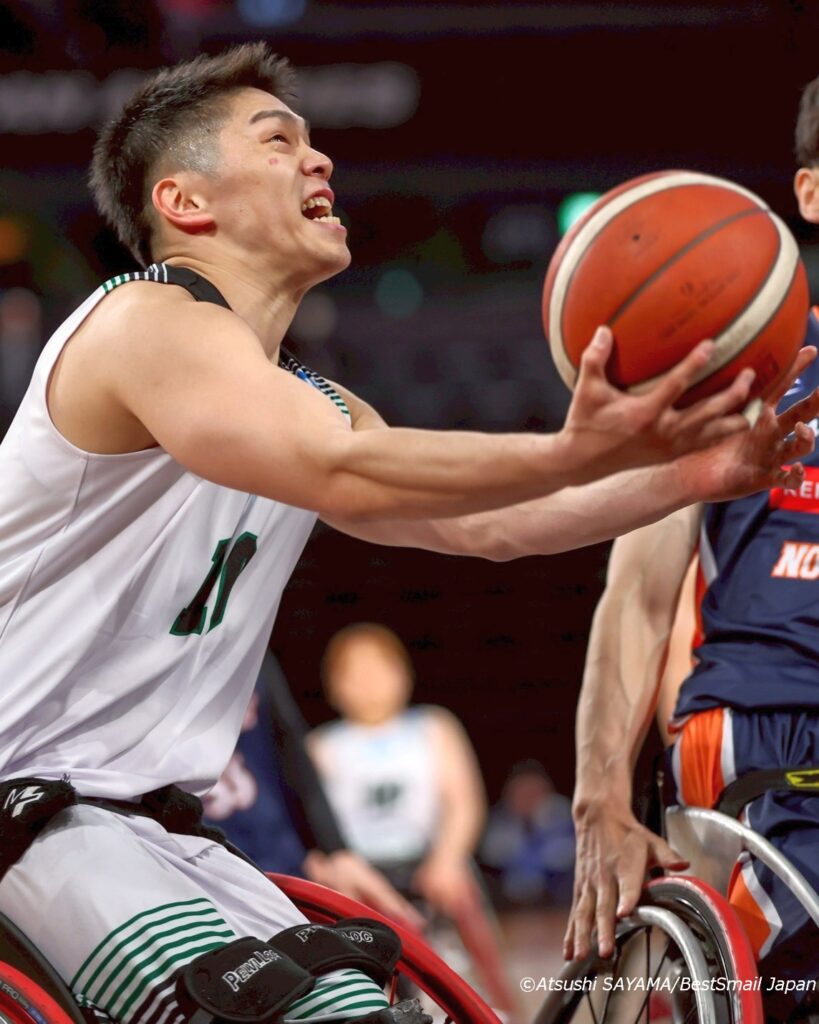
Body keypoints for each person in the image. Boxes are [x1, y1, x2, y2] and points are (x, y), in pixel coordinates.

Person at [0, 41, 815, 1024]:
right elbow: (348, 468)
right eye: (276, 141)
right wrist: (575, 448)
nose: (319, 159)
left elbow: (493, 524)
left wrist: (691, 477)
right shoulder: (145, 322)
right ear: (185, 202)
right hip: (30, 817)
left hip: (155, 835)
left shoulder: (305, 399)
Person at [565, 74, 819, 1019]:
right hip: (769, 728)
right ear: (810, 193)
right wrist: (600, 800)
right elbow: (636, 596)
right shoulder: (740, 373)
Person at [308, 623, 486, 919]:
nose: (368, 682)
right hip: (359, 874)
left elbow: (464, 804)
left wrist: (448, 859)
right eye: (354, 672)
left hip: (428, 867)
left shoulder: (434, 727)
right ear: (333, 686)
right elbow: (307, 822)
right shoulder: (321, 746)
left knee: (463, 890)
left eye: (378, 668)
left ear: (403, 673)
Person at [480, 760, 575, 908]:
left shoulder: (567, 818)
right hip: (509, 904)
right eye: (521, 794)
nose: (528, 800)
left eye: (533, 793)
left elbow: (563, 857)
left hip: (557, 901)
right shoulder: (498, 822)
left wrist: (538, 832)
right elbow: (494, 856)